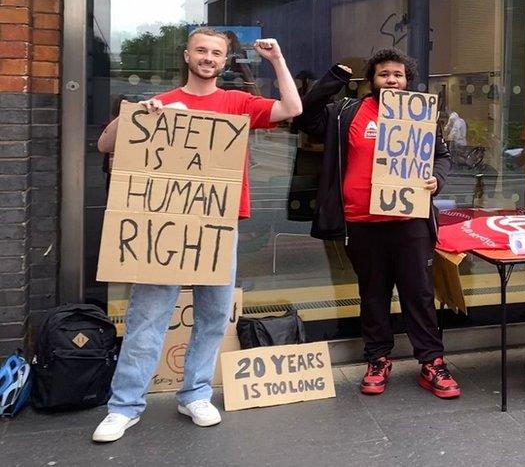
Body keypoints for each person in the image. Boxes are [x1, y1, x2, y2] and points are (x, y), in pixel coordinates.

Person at [92, 28, 302, 442]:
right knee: (146, 318)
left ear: (224, 62)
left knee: (211, 317)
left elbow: (291, 106)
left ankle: (195, 393)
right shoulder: (164, 103)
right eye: (201, 51)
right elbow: (104, 144)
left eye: (216, 53)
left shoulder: (238, 102)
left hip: (218, 228)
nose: (208, 58)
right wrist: (134, 115)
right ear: (187, 56)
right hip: (165, 230)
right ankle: (124, 406)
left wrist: (277, 61)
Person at [292, 48, 461, 399]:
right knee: (372, 295)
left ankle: (432, 362)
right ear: (371, 80)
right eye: (384, 74)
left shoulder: (421, 115)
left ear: (407, 80)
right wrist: (335, 79)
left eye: (398, 75)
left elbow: (442, 157)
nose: (392, 80)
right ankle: (377, 359)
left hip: (409, 221)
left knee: (420, 295)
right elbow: (303, 115)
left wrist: (437, 181)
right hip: (361, 222)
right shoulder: (346, 112)